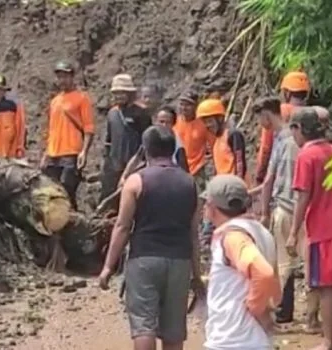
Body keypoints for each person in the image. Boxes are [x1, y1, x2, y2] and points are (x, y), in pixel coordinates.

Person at [98, 125, 203, 350]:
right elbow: (194, 234)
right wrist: (197, 275)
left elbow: (123, 226)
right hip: (179, 261)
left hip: (144, 259)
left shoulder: (136, 182)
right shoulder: (190, 183)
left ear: (146, 150)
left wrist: (108, 266)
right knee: (174, 330)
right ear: (173, 149)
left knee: (144, 326)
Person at [252, 98, 320, 330]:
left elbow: (271, 179)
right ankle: (310, 317)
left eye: (260, 117)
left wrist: (264, 212)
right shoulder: (301, 142)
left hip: (287, 208)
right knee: (309, 264)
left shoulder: (284, 140)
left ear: (267, 115)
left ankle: (283, 312)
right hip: (305, 209)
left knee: (283, 265)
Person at [289, 108, 332, 350]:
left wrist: (294, 232)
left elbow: (303, 197)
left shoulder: (307, 156)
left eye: (293, 130)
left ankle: (328, 341)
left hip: (322, 228)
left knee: (324, 286)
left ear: (299, 129)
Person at [203, 174, 281, 350]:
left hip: (233, 339)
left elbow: (264, 273)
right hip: (253, 337)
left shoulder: (232, 237)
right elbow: (275, 286)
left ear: (213, 207)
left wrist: (255, 308)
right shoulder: (261, 231)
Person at [40, 61, 95, 210]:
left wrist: (84, 152)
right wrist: (46, 153)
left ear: (72, 77)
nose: (62, 80)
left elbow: (89, 127)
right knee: (51, 191)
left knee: (67, 189)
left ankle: (74, 224)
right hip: (53, 153)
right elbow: (51, 130)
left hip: (71, 152)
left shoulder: (82, 98)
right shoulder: (55, 101)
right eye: (59, 77)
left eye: (65, 76)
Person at [100, 74, 151, 202]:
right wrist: (107, 162)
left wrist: (141, 162)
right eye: (116, 93)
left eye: (122, 93)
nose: (119, 96)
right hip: (115, 164)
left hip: (135, 164)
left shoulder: (141, 113)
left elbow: (147, 141)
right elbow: (109, 140)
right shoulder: (112, 113)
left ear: (130, 94)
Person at [255, 71, 310, 184]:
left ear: (287, 93)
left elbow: (266, 147)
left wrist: (259, 175)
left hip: (281, 172)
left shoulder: (279, 112)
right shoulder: (310, 115)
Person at [118, 106, 189, 189]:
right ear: (155, 121)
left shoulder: (177, 143)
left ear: (173, 124)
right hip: (151, 180)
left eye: (168, 122)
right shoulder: (151, 137)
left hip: (170, 182)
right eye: (161, 122)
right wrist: (124, 176)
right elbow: (138, 157)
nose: (164, 125)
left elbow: (184, 169)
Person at [196, 98, 247, 179]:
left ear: (220, 118)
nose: (207, 125)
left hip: (235, 186)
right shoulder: (217, 140)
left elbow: (240, 164)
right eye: (205, 122)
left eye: (209, 121)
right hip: (224, 186)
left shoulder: (233, 135)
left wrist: (237, 184)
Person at [173, 90, 213, 191]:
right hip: (177, 168)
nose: (184, 108)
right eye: (182, 104)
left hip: (197, 169)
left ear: (195, 106)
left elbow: (213, 145)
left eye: (188, 105)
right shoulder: (174, 122)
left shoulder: (203, 124)